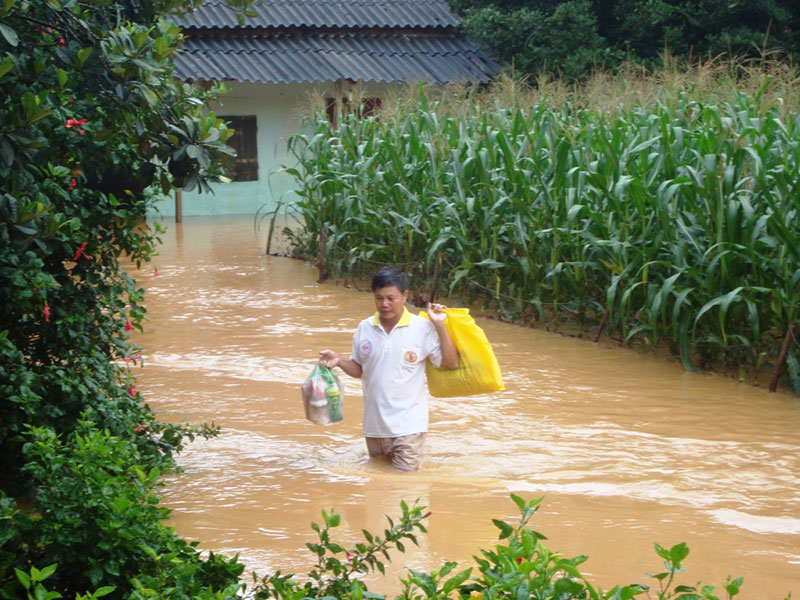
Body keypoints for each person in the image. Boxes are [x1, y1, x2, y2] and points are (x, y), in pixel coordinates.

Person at [319, 266, 458, 471]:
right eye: (379, 298)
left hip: (409, 428)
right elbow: (359, 370)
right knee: (378, 491)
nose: (384, 304)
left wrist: (440, 325)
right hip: (374, 429)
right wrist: (338, 361)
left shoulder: (423, 328)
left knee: (403, 486)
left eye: (390, 298)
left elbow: (450, 363)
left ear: (404, 296)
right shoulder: (364, 328)